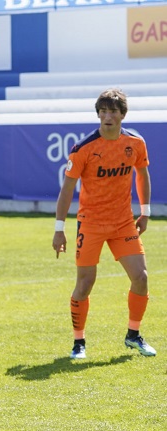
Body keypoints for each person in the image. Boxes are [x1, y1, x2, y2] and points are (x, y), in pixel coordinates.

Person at [53, 88, 156, 360]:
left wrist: (144, 211)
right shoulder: (84, 148)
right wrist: (59, 229)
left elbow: (142, 174)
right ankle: (78, 343)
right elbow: (67, 190)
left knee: (141, 278)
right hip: (91, 224)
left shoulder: (135, 143)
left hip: (123, 223)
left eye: (112, 111)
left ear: (123, 114)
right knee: (85, 285)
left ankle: (133, 335)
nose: (107, 116)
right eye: (103, 111)